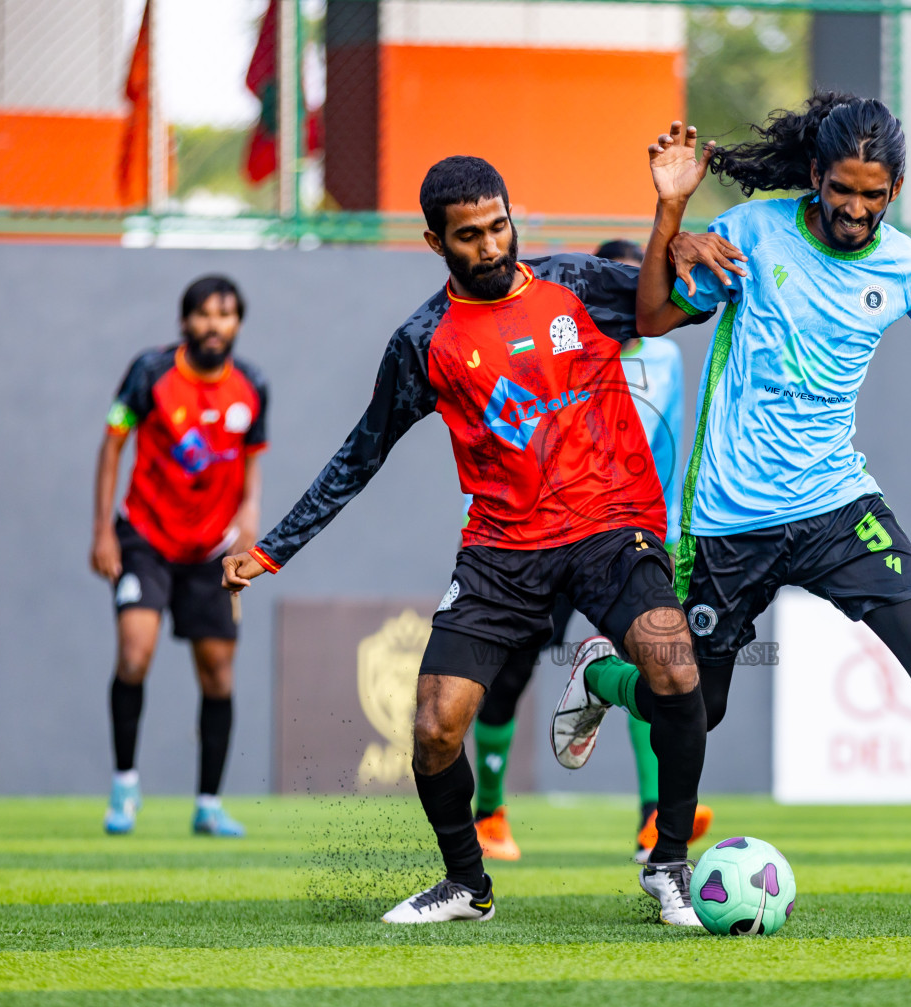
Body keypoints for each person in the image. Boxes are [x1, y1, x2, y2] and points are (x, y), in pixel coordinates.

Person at [553, 95, 911, 926]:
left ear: (896, 190)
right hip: (730, 518)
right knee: (701, 706)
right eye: (843, 189)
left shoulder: (910, 269)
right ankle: (601, 677)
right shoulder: (756, 232)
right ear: (815, 177)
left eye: (874, 195)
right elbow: (655, 317)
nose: (855, 208)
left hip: (839, 505)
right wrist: (674, 218)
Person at [222, 157, 715, 926]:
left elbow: (663, 311)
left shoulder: (576, 286)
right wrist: (274, 547)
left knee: (678, 668)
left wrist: (674, 223)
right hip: (500, 550)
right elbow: (362, 452)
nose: (490, 246)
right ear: (435, 241)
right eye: (469, 236)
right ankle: (467, 885)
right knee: (433, 725)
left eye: (498, 227)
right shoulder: (423, 342)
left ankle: (670, 865)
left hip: (609, 526)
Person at [471, 239, 713, 866]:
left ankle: (653, 817)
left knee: (658, 658)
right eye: (621, 287)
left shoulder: (665, 358)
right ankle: (489, 812)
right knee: (512, 668)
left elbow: (667, 445)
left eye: (642, 285)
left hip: (634, 538)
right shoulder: (557, 356)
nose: (634, 298)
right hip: (550, 537)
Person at [90, 275, 266, 838]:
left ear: (238, 323)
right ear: (185, 321)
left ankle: (209, 805)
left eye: (226, 315)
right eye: (204, 315)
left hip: (212, 550)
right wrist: (104, 530)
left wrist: (248, 518)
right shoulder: (149, 373)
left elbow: (252, 461)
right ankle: (124, 789)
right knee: (134, 654)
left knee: (217, 673)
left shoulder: (252, 386)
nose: (215, 325)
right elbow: (113, 442)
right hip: (145, 538)